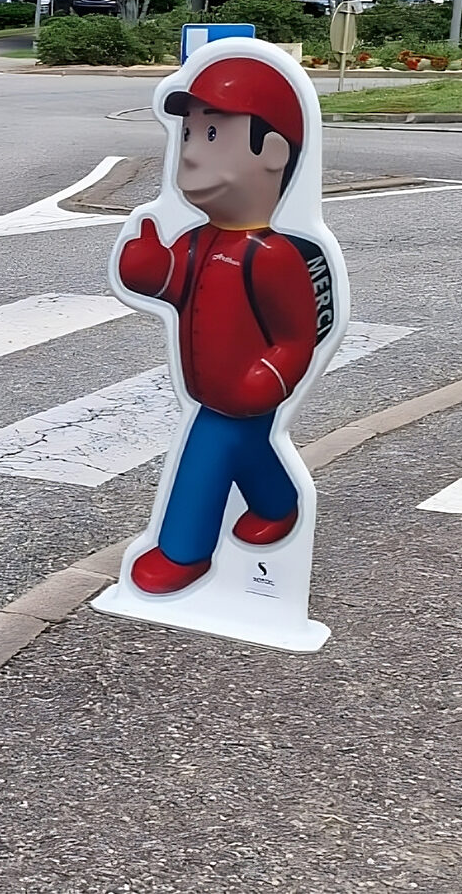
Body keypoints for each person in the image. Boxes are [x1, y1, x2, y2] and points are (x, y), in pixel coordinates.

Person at [115, 56, 322, 594]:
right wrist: (150, 270)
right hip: (212, 385)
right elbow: (175, 287)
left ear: (272, 153)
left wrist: (271, 376)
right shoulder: (196, 240)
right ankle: (277, 505)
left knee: (208, 453)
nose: (188, 152)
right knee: (246, 451)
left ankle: (183, 552)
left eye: (212, 134)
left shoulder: (271, 256)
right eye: (188, 134)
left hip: (247, 389)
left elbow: (296, 335)